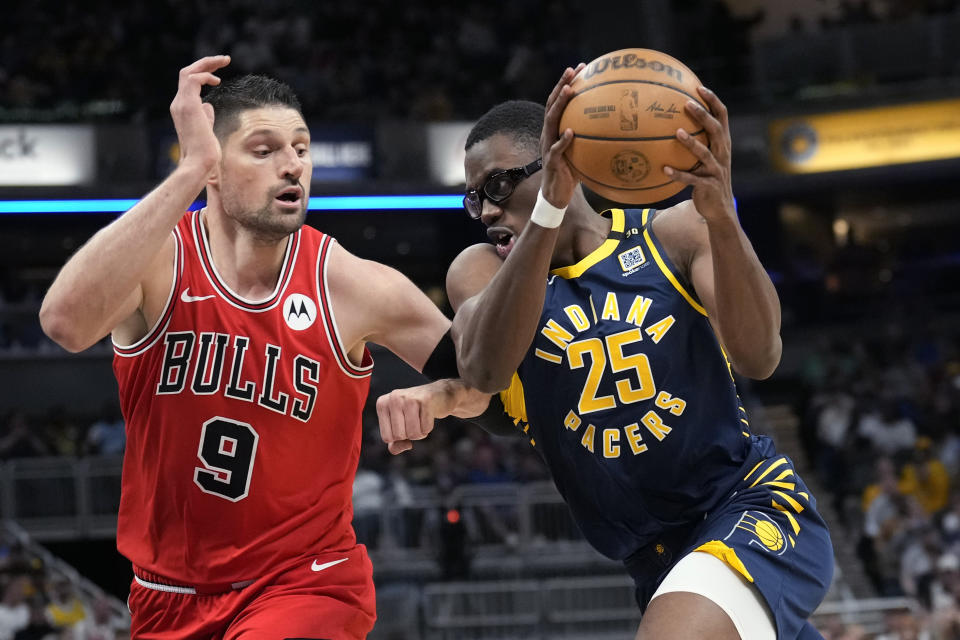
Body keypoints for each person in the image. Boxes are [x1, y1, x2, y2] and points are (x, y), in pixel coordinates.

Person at [39, 55, 486, 640]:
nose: (292, 165)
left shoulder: (352, 284)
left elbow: (487, 386)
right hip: (165, 594)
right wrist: (188, 171)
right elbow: (65, 324)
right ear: (215, 169)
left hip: (307, 581)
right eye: (264, 149)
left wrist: (441, 394)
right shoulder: (159, 263)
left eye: (301, 148)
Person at [379, 66, 834, 639]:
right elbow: (487, 369)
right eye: (475, 200)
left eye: (496, 187)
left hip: (746, 509)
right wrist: (544, 213)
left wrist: (724, 221)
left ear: (558, 159)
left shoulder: (674, 233)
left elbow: (759, 357)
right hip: (653, 563)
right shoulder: (480, 272)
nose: (487, 211)